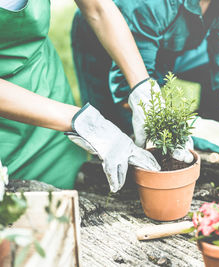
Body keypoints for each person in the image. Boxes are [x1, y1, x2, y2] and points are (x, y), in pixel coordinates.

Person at [71, 0, 219, 167]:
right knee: (116, 135)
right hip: (104, 43)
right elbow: (131, 94)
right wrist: (181, 125)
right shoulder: (151, 4)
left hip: (172, 40)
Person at [0, 0, 162, 193]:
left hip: (48, 100)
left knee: (71, 205)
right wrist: (80, 121)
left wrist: (142, 88)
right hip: (9, 138)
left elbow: (98, 7)